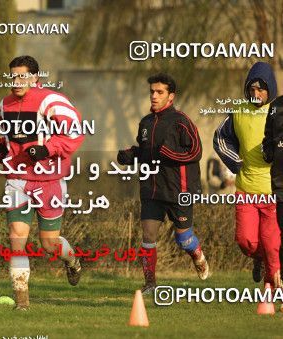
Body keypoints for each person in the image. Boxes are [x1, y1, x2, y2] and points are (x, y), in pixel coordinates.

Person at [0, 55, 84, 310]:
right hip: (17, 179)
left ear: (35, 77)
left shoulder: (52, 101)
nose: (17, 81)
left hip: (49, 180)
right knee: (17, 237)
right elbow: (6, 140)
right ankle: (22, 301)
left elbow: (74, 132)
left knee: (49, 244)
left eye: (22, 76)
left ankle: (72, 261)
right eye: (13, 76)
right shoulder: (3, 104)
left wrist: (48, 149)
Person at [117, 73, 208, 294]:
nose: (154, 96)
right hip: (151, 188)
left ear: (171, 96)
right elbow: (147, 152)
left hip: (179, 190)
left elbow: (195, 152)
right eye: (152, 92)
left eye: (160, 92)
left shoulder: (182, 122)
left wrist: (171, 154)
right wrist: (131, 155)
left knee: (184, 239)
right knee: (148, 235)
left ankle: (198, 255)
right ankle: (150, 283)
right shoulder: (146, 123)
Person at [214, 61, 280, 288]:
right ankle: (258, 258)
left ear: (270, 88)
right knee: (246, 242)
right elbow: (220, 138)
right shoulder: (238, 111)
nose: (256, 93)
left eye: (261, 89)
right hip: (246, 190)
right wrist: (235, 160)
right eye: (252, 89)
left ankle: (271, 292)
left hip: (273, 192)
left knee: (273, 246)